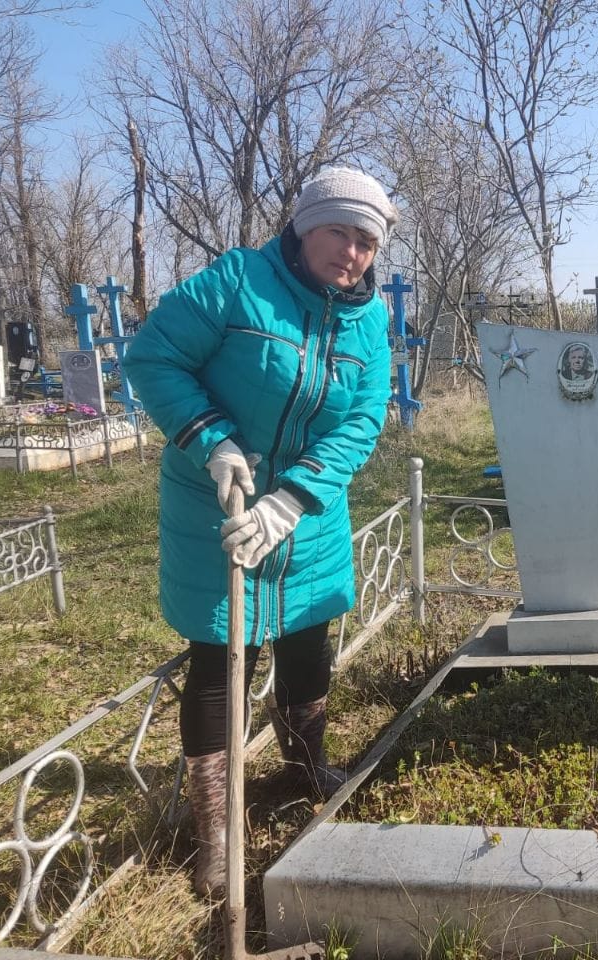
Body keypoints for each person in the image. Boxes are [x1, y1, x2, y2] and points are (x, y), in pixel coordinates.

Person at [123, 166, 396, 898]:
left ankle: (305, 770)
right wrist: (210, 437)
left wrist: (296, 498)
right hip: (221, 499)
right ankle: (214, 830)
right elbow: (153, 356)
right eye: (339, 231)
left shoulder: (370, 321)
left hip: (306, 511)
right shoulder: (238, 283)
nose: (351, 252)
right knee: (220, 655)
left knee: (308, 636)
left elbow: (365, 417)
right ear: (306, 228)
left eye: (367, 241)